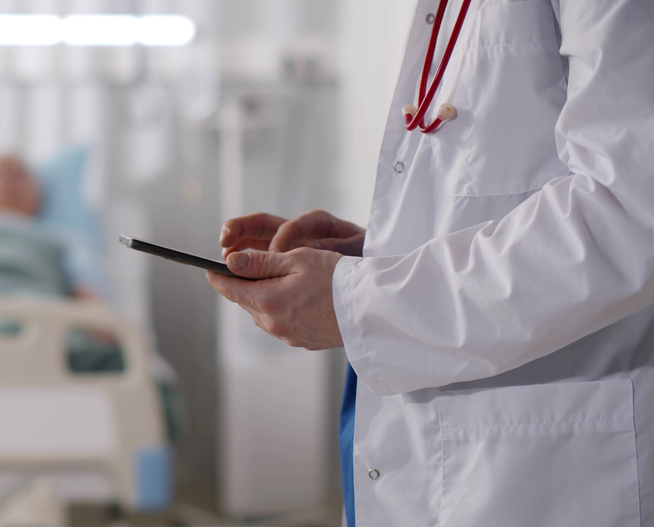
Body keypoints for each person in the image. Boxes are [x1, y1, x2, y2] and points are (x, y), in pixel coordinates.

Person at [208, 1, 654, 525]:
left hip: (545, 466)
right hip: (457, 451)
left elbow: (630, 214)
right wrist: (379, 257)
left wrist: (360, 300)